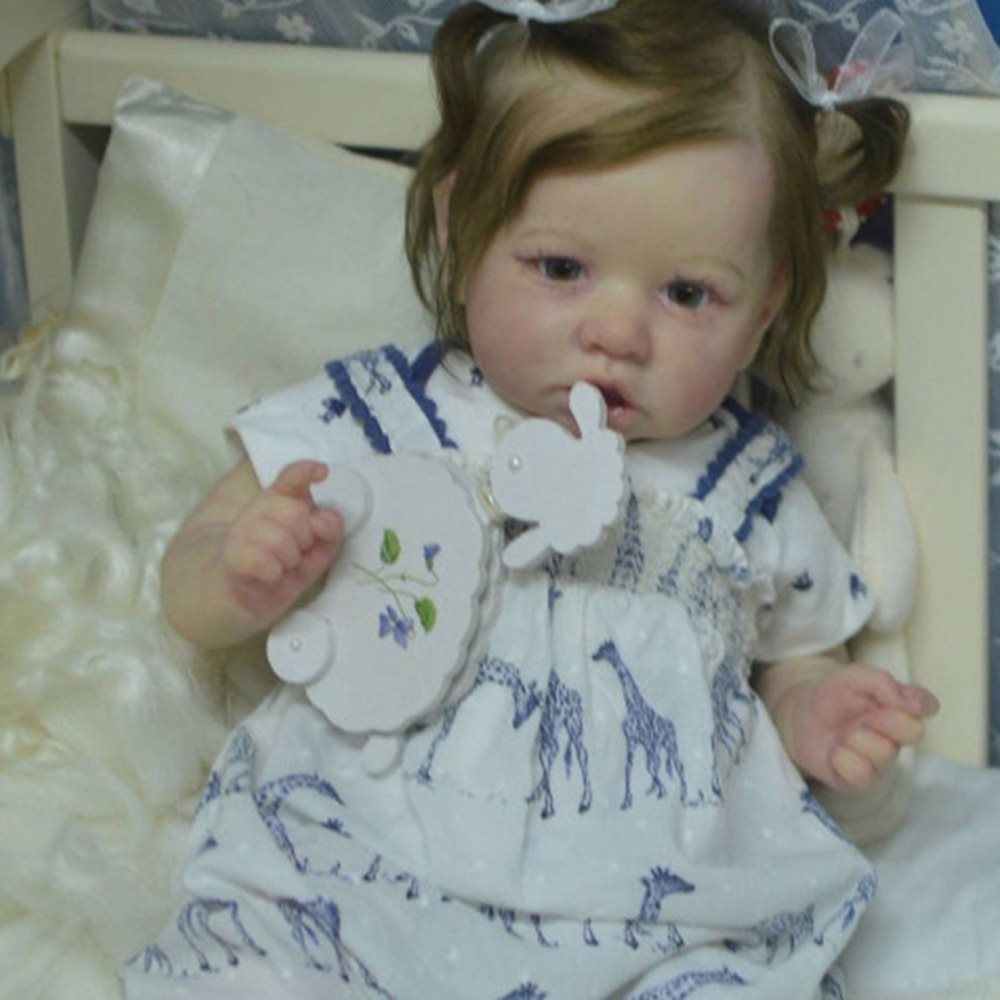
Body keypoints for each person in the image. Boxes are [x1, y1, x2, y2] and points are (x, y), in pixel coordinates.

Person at [121, 0, 938, 996]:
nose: (617, 334)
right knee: (260, 963)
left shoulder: (744, 485)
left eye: (687, 293)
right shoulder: (390, 417)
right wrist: (240, 570)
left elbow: (796, 655)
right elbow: (191, 578)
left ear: (764, 306)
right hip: (366, 865)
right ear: (460, 230)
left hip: (659, 904)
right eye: (561, 268)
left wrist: (816, 711)